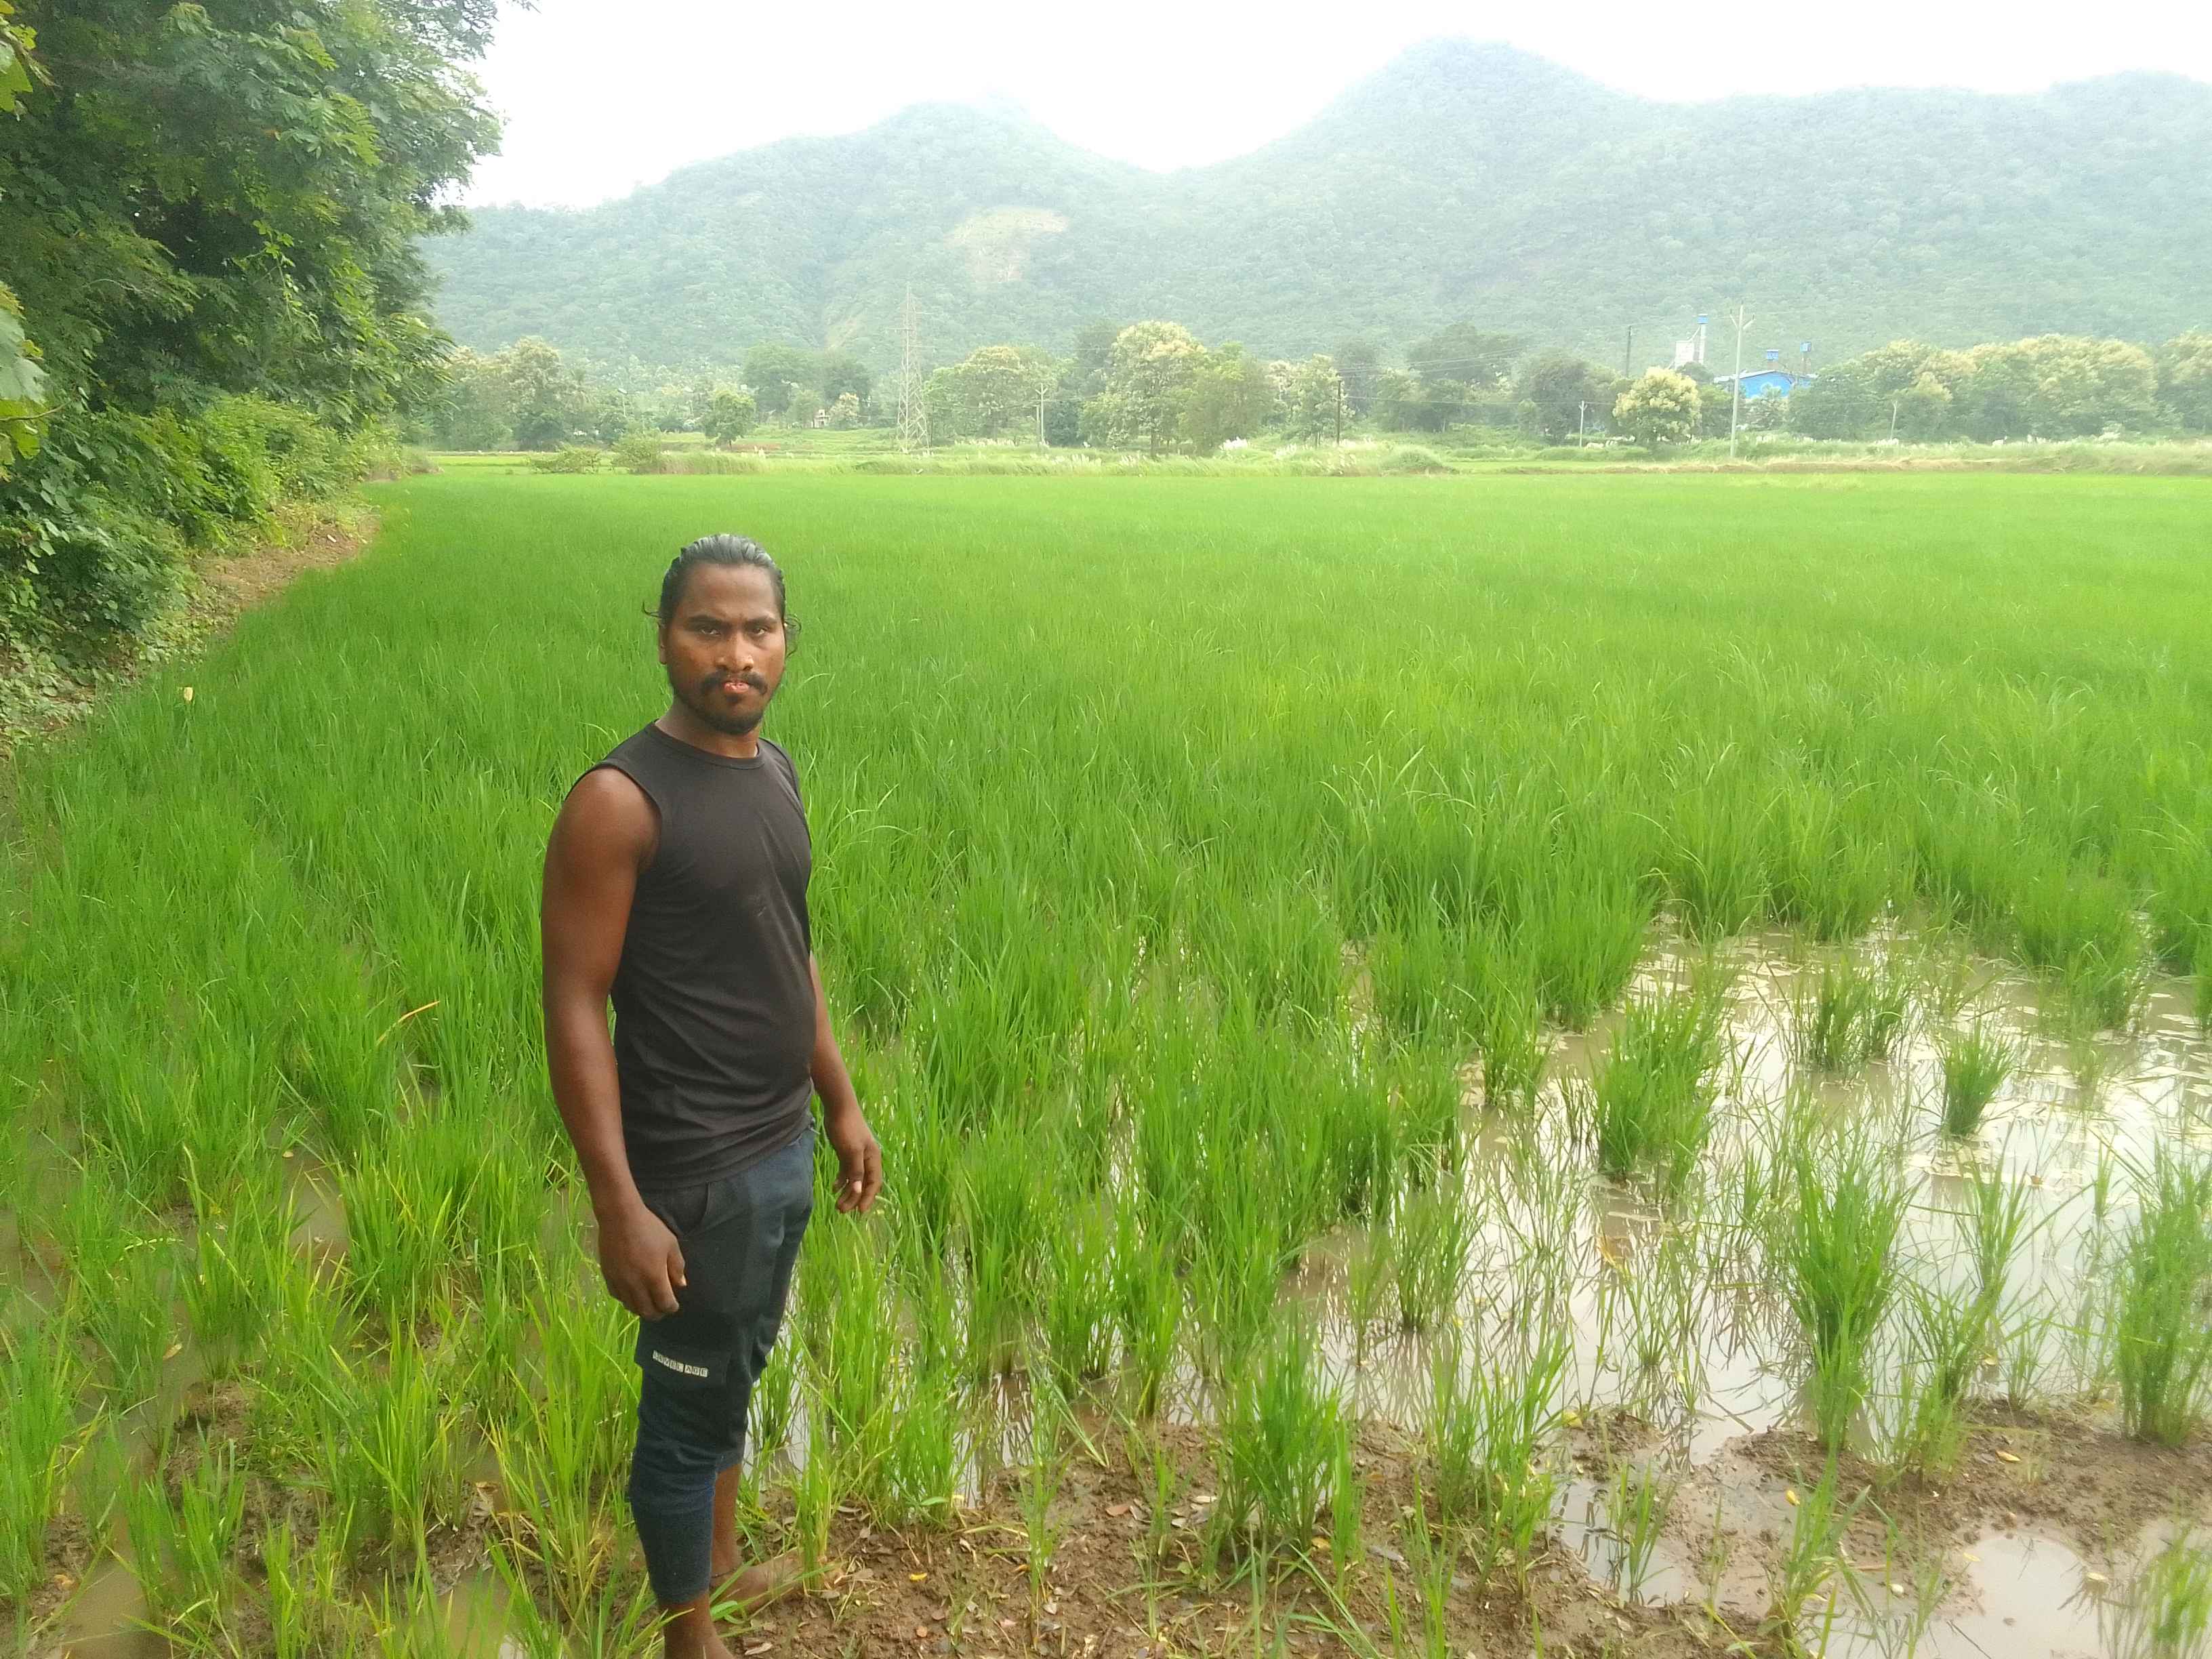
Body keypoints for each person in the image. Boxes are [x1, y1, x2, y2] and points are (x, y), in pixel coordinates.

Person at [540, 533, 883, 1658]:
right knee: (687, 1413)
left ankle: (722, 1564)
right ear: (664, 639)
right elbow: (575, 1003)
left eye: (758, 629)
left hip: (780, 1142)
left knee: (739, 1362)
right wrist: (618, 1204)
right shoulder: (619, 802)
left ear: (785, 641)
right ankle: (689, 1639)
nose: (736, 653)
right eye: (708, 628)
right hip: (693, 1169)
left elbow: (792, 950)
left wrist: (840, 1103)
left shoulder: (773, 769)